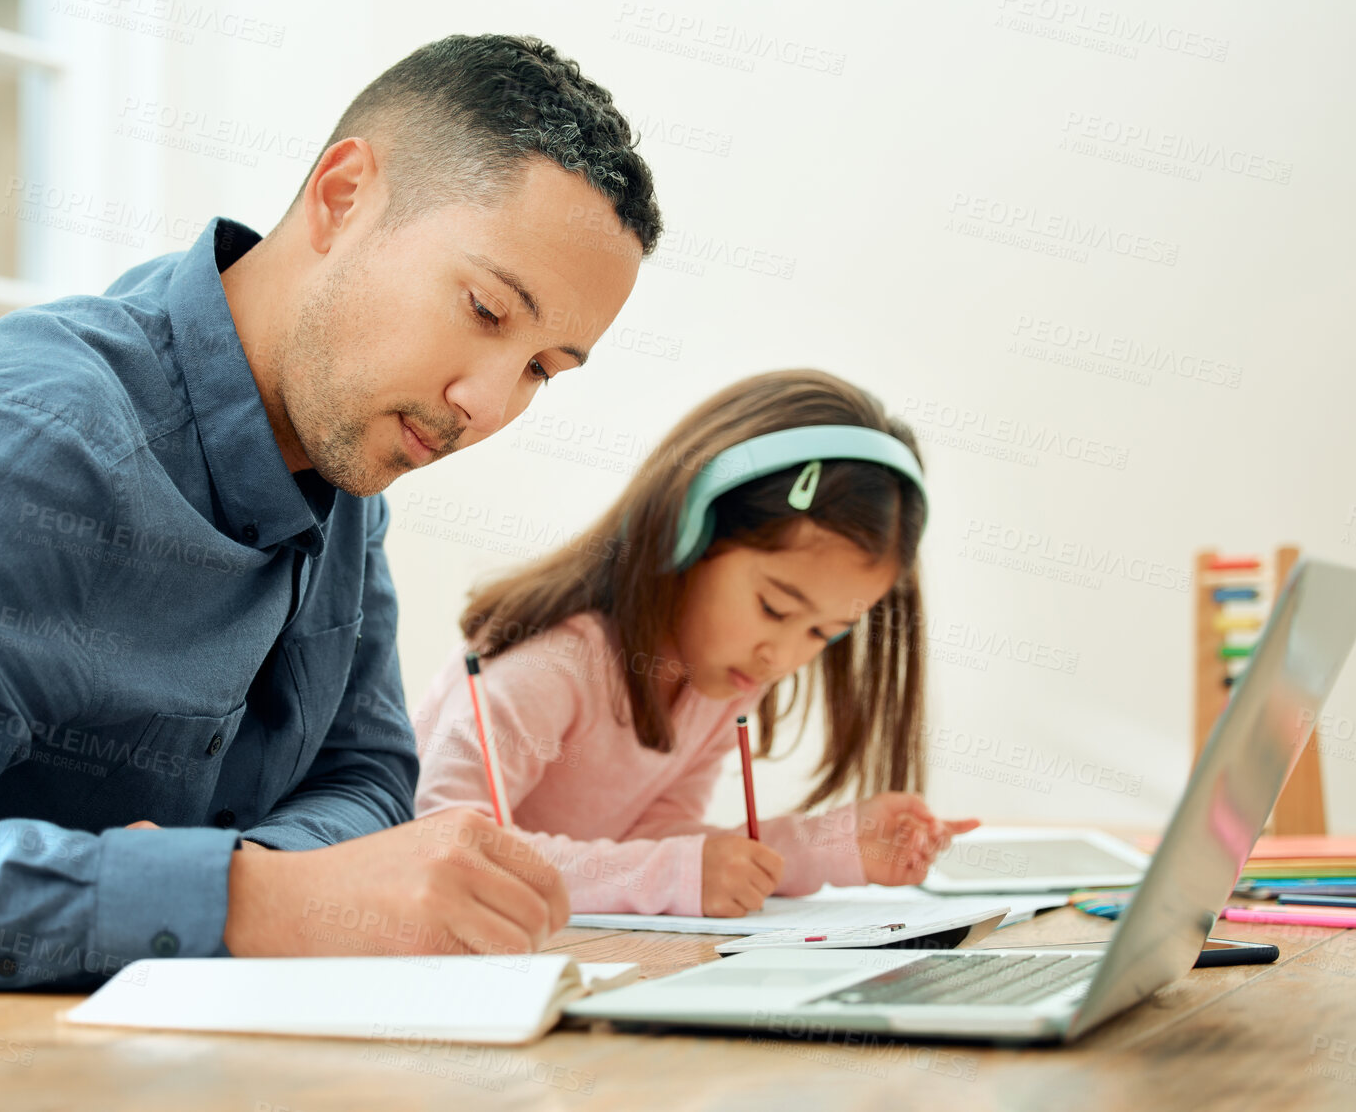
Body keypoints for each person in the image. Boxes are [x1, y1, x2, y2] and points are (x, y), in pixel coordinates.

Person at [0, 34, 661, 1020]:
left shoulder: (349, 471)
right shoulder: (25, 436)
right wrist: (244, 898)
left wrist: (248, 883)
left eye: (540, 370)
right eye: (485, 310)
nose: (484, 403)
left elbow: (365, 778)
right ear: (343, 197)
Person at [413, 370, 979, 917]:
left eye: (822, 634)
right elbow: (447, 846)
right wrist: (676, 874)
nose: (780, 658)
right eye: (774, 608)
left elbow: (654, 837)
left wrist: (827, 846)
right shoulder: (550, 664)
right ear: (689, 527)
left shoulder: (720, 677)